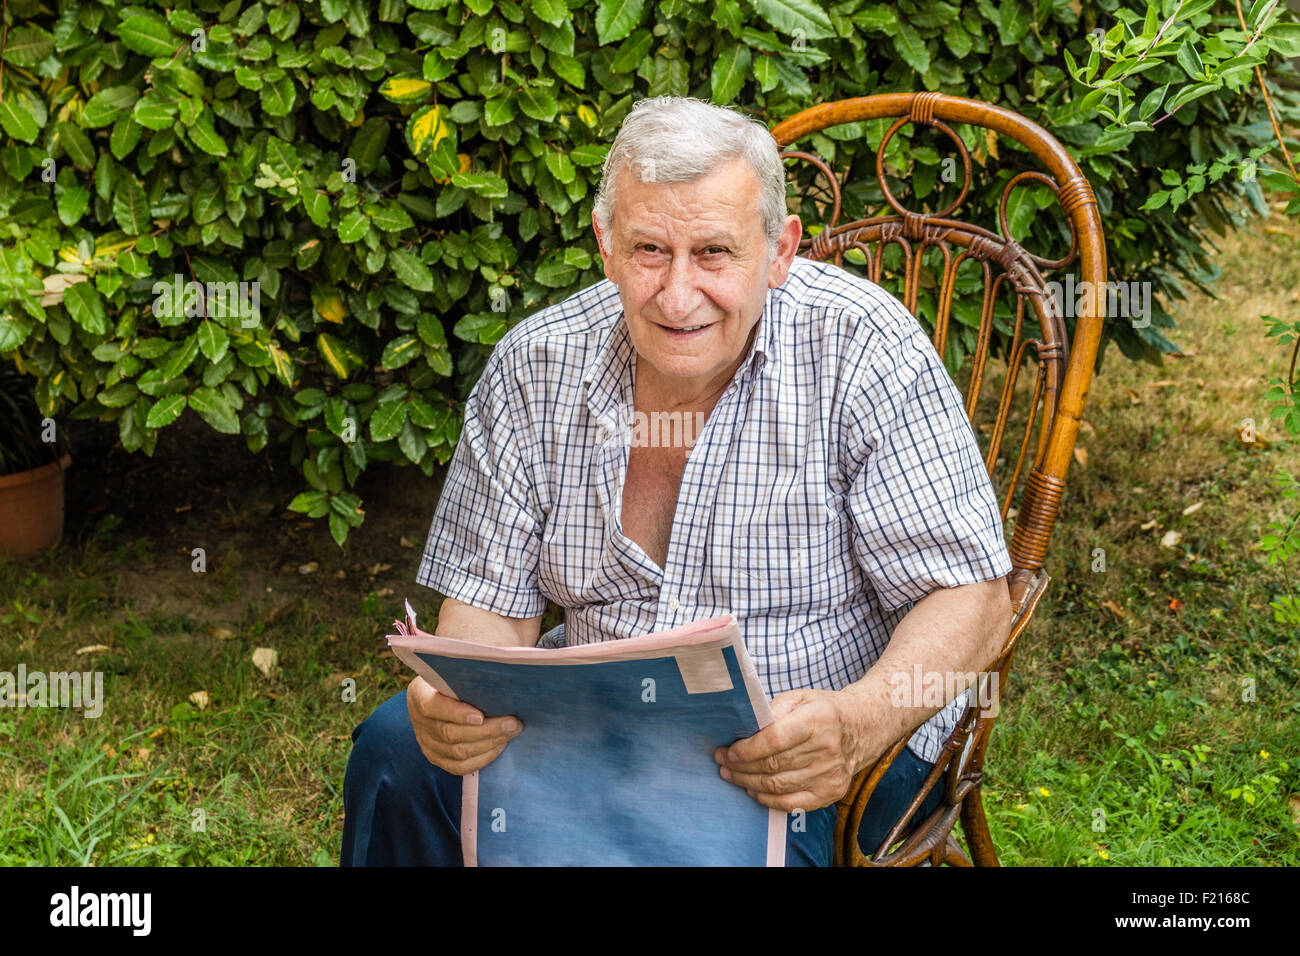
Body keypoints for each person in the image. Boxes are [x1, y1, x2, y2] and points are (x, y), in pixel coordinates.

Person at [341, 96, 1013, 867]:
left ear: (780, 249)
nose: (678, 295)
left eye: (715, 254)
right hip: (593, 731)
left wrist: (856, 722)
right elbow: (486, 612)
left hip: (797, 754)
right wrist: (455, 702)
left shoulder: (863, 349)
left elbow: (971, 596)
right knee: (396, 748)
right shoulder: (538, 365)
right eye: (650, 250)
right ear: (605, 244)